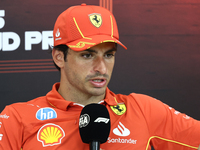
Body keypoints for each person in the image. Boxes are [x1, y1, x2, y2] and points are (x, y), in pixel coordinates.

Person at [0, 3, 200, 150]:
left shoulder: (143, 109)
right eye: (88, 55)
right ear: (59, 57)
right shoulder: (16, 119)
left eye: (109, 55)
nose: (101, 67)